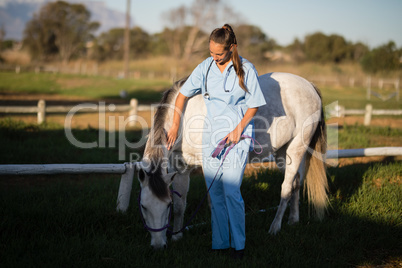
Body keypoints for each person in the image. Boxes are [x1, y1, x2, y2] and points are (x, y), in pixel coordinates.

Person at [166, 24, 266, 259]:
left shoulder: (247, 69)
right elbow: (182, 95)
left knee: (231, 192)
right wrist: (173, 124)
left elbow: (254, 105)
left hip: (236, 139)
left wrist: (238, 129)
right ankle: (220, 244)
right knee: (216, 195)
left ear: (232, 48)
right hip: (210, 139)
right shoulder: (205, 67)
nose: (214, 58)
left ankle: (238, 246)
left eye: (218, 54)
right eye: (211, 53)